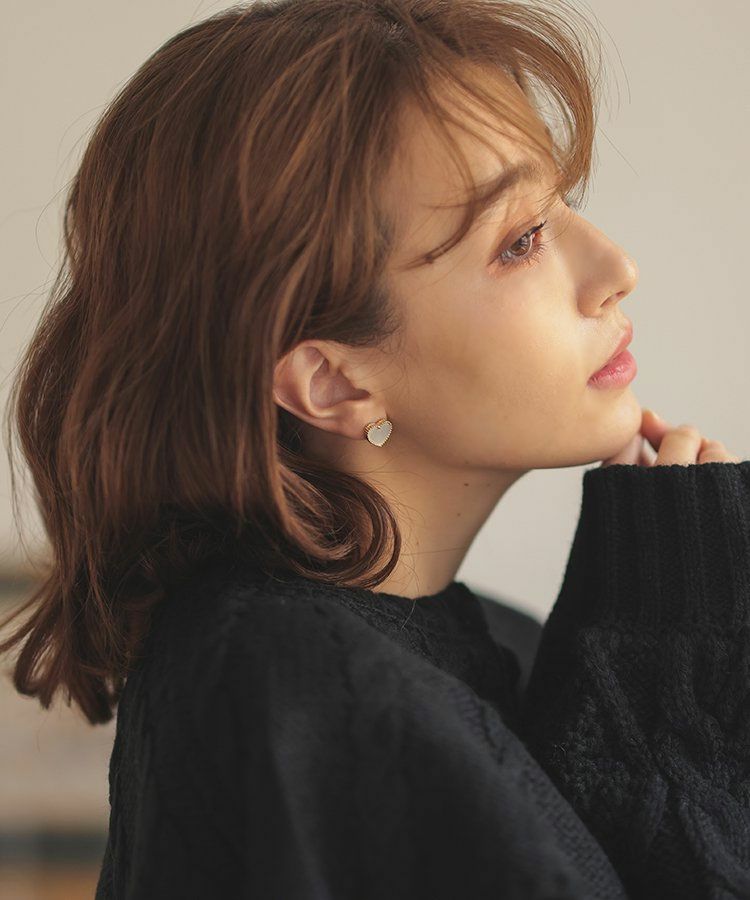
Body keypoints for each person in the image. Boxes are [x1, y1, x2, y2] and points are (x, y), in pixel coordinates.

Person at [1, 0, 748, 897]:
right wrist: (668, 680)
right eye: (521, 241)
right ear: (334, 382)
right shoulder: (301, 689)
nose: (616, 270)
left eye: (564, 207)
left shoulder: (448, 648)